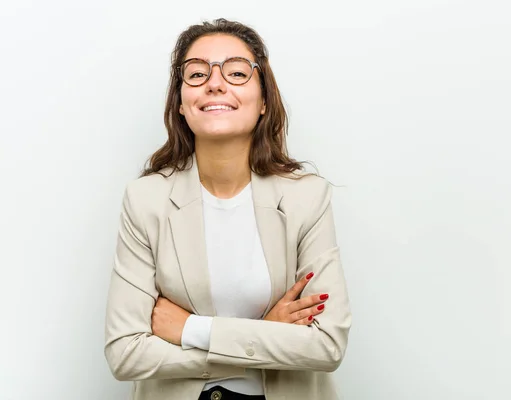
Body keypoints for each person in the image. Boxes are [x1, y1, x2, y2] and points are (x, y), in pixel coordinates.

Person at [104, 18, 352, 400]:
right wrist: (268, 332)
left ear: (264, 100)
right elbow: (125, 352)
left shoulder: (308, 198)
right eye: (197, 73)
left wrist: (191, 331)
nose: (215, 83)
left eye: (237, 72)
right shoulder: (146, 200)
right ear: (182, 103)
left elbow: (326, 345)